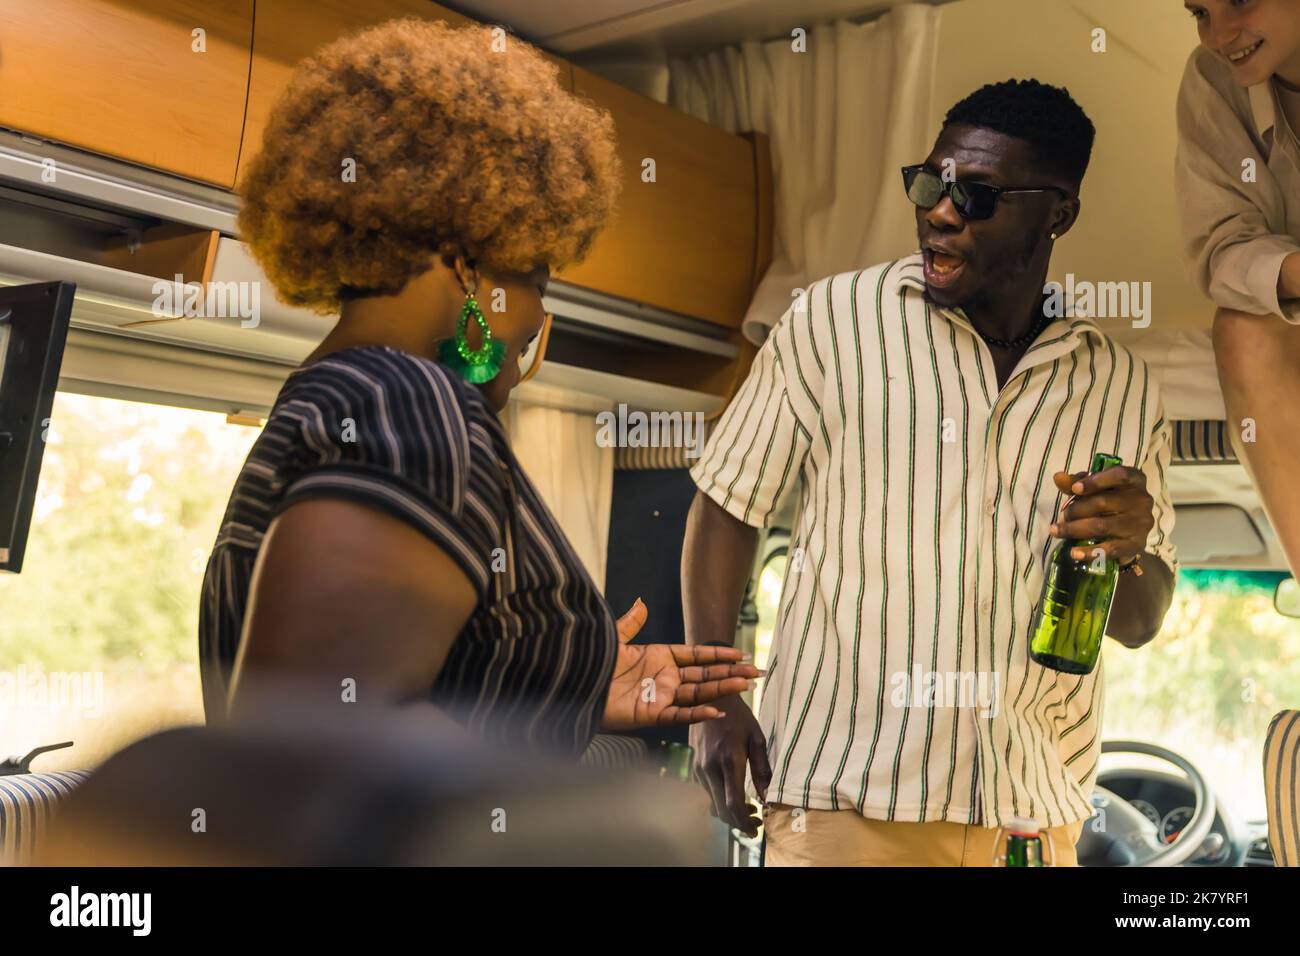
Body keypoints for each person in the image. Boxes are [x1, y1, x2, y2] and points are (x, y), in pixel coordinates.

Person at [199, 18, 759, 758]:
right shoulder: (410, 405)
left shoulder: (324, 401)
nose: (537, 319)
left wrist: (571, 691)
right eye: (534, 277)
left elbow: (389, 696)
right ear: (467, 264)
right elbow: (312, 755)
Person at [682, 80, 1179, 866]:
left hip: (1030, 819)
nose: (941, 212)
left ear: (1058, 213)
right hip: (843, 805)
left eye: (978, 197)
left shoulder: (1121, 386)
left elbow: (1142, 621)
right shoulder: (832, 323)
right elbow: (727, 503)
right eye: (929, 184)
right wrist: (714, 697)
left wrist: (1130, 548)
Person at [1176, 0, 1300, 579]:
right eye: (1199, 10)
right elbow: (1223, 246)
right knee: (1241, 328)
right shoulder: (1212, 80)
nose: (1218, 33)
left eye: (1240, 0)